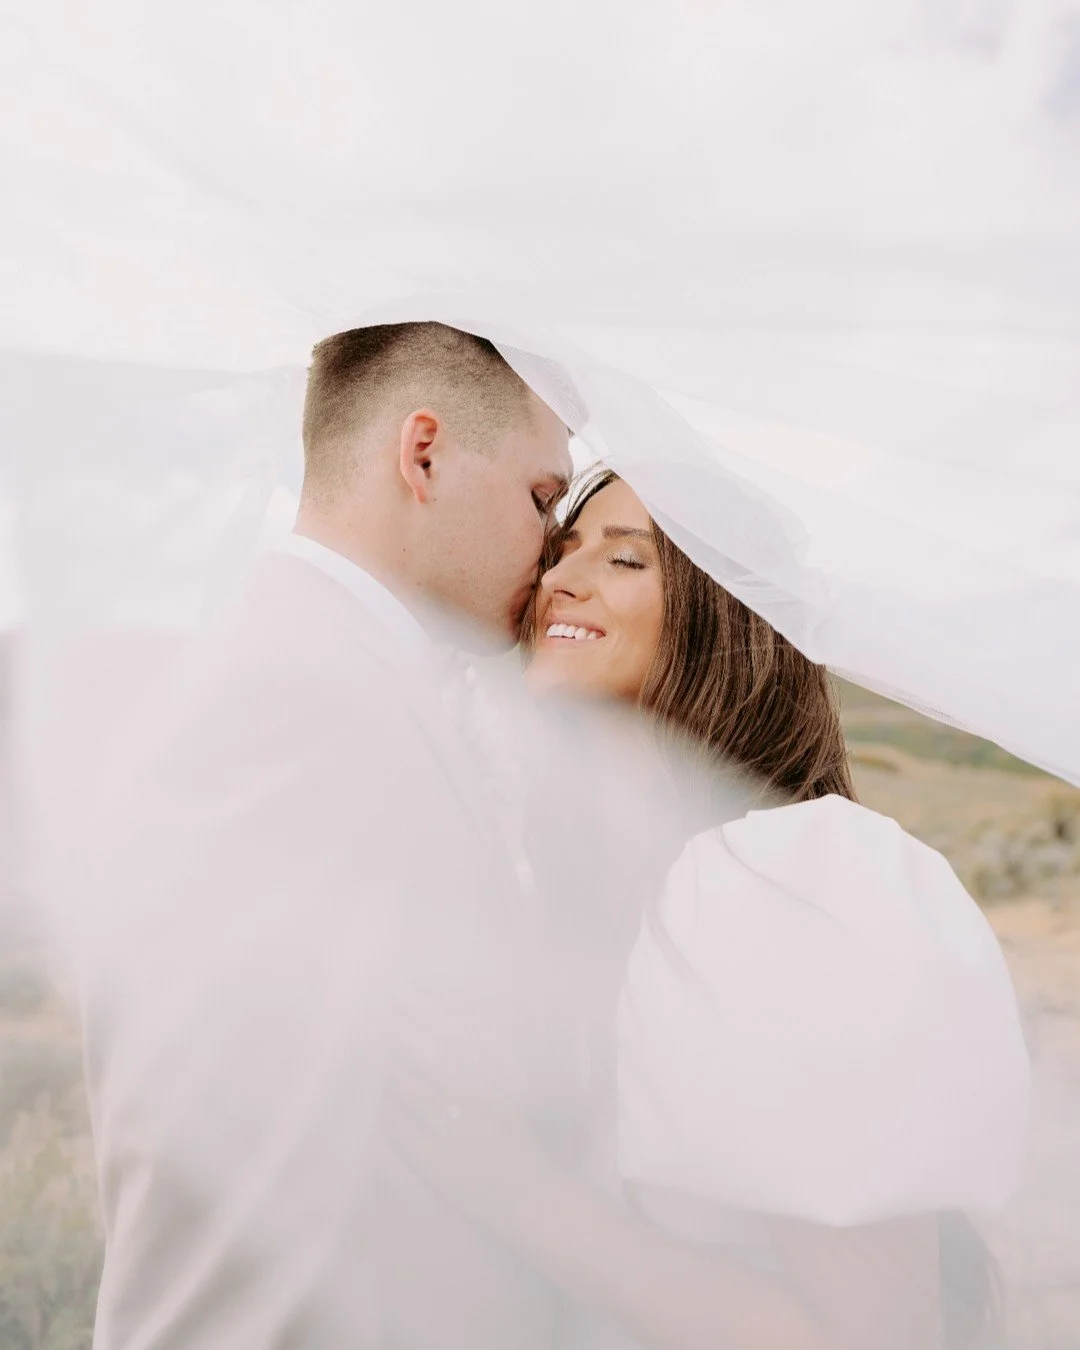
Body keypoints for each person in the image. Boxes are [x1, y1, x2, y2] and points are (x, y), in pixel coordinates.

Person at [386, 468, 1030, 1350]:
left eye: (625, 561)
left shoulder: (786, 879)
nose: (561, 580)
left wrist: (522, 1196)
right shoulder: (575, 890)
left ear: (720, 619)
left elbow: (876, 1336)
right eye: (562, 550)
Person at [75, 321, 579, 1349]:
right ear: (423, 452)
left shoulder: (349, 681)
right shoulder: (290, 698)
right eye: (540, 498)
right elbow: (225, 1174)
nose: (554, 546)